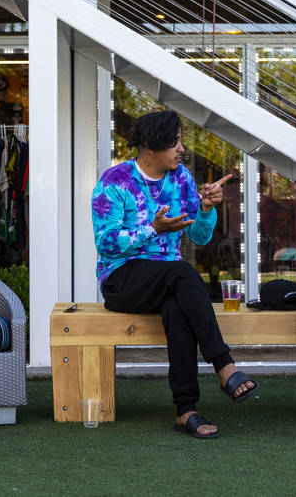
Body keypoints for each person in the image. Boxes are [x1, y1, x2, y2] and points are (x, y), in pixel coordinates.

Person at [91, 110, 257, 439]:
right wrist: (152, 229)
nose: (181, 149)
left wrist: (206, 208)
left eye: (181, 140)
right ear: (150, 147)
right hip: (121, 277)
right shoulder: (115, 181)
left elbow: (199, 236)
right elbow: (106, 243)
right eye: (174, 142)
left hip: (168, 278)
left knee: (177, 307)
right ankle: (224, 365)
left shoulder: (180, 178)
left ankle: (186, 410)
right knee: (181, 273)